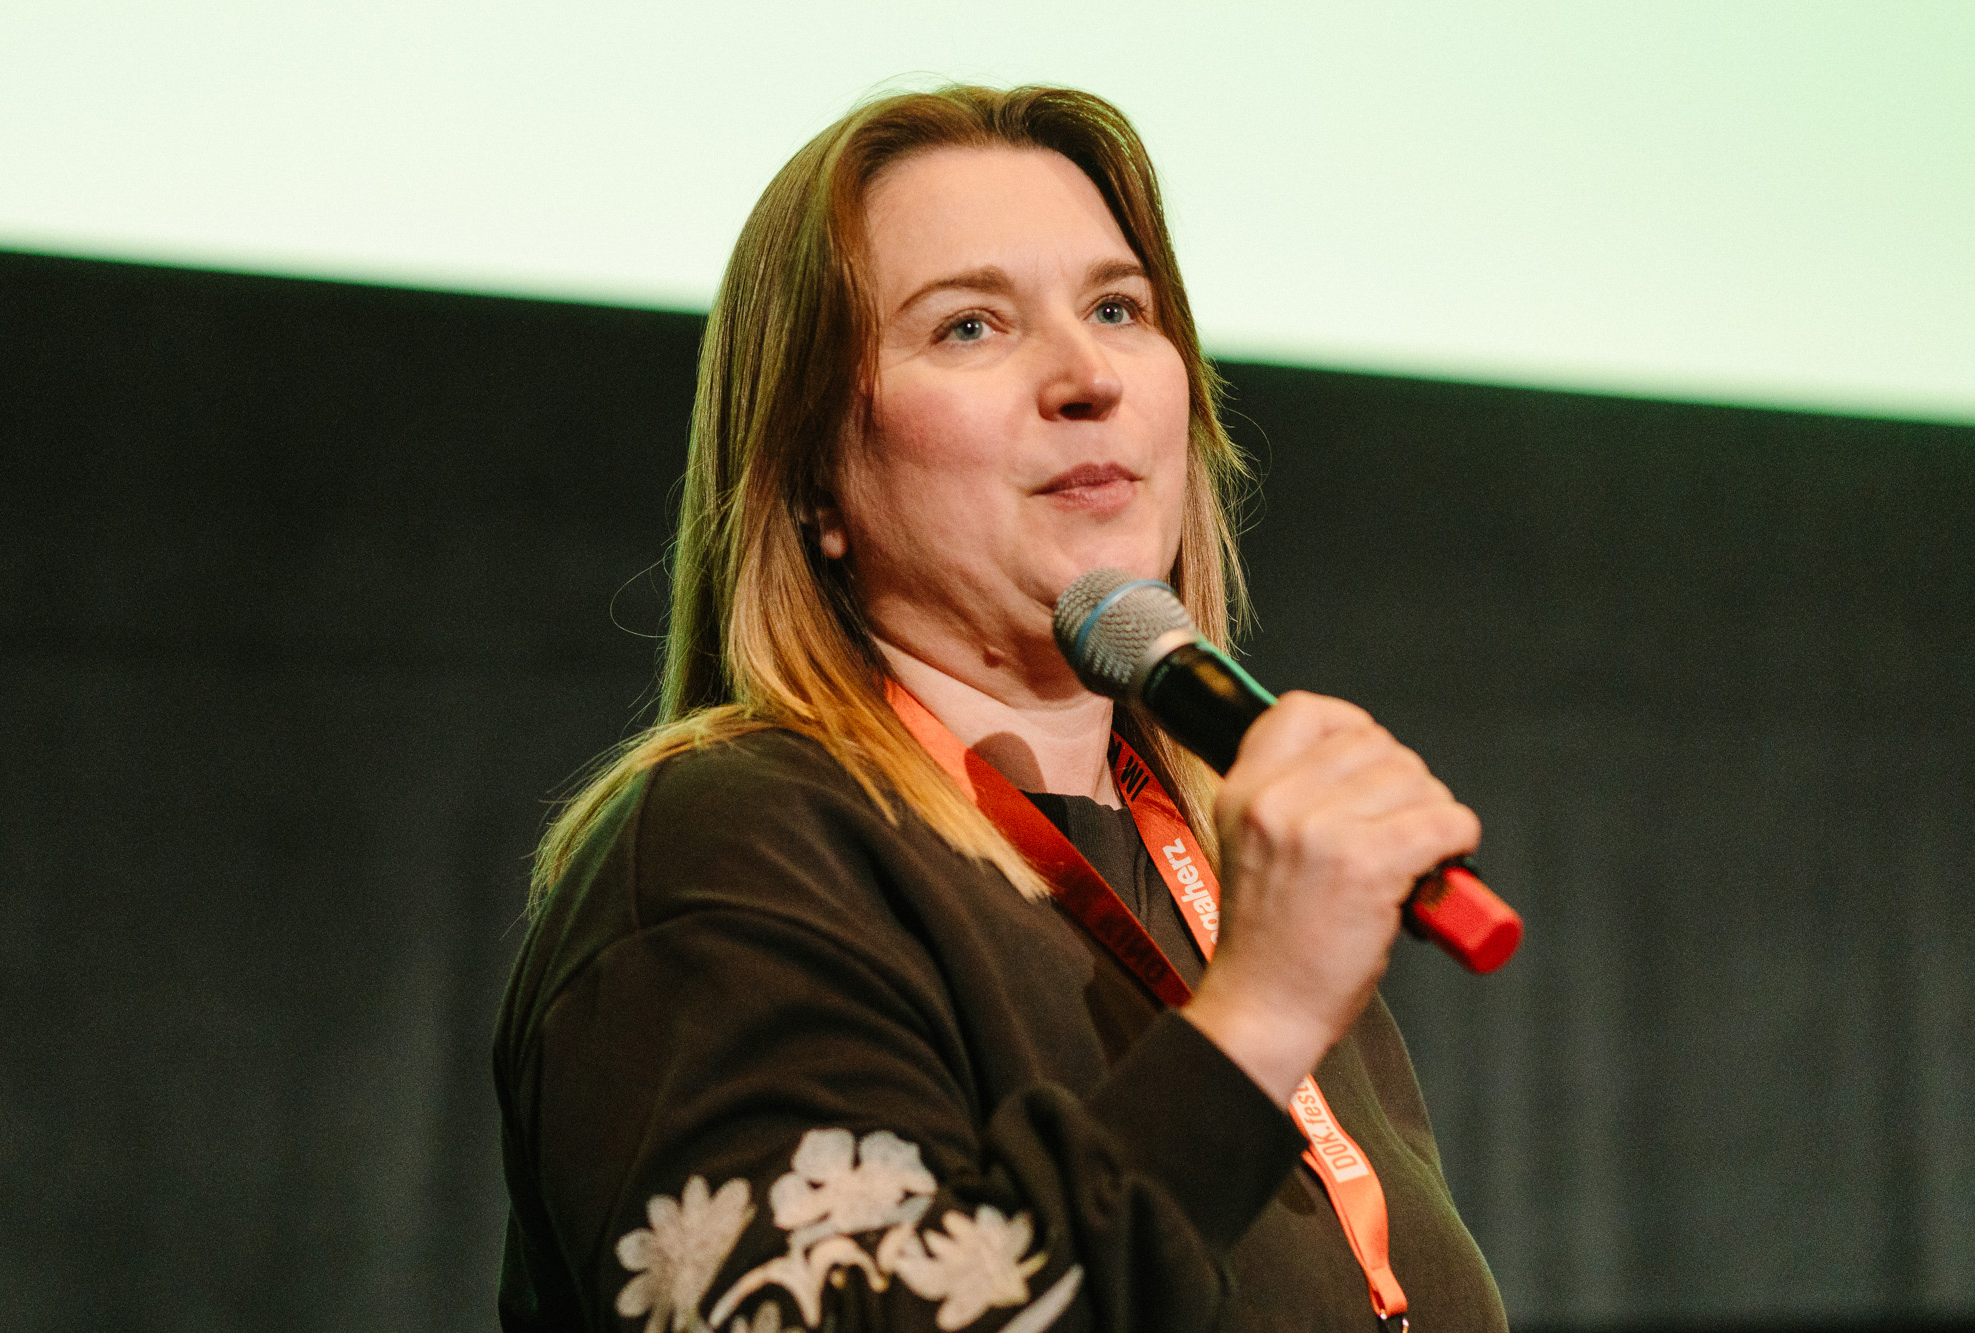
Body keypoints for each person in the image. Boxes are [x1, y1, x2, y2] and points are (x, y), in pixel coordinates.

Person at [493, 84, 1508, 1333]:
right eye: (969, 325)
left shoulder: (1216, 872)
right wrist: (1260, 1016)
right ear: (811, 475)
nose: (1087, 376)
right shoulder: (729, 848)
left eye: (1117, 309)